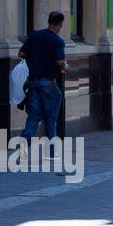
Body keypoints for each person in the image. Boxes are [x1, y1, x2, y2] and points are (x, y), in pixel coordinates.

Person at [18, 11, 68, 144]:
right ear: (60, 24)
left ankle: (24, 143)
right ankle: (51, 151)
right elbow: (59, 62)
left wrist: (35, 58)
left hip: (33, 82)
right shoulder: (58, 41)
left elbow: (21, 53)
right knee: (50, 118)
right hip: (48, 83)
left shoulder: (34, 35)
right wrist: (65, 65)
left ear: (49, 21)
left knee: (33, 116)